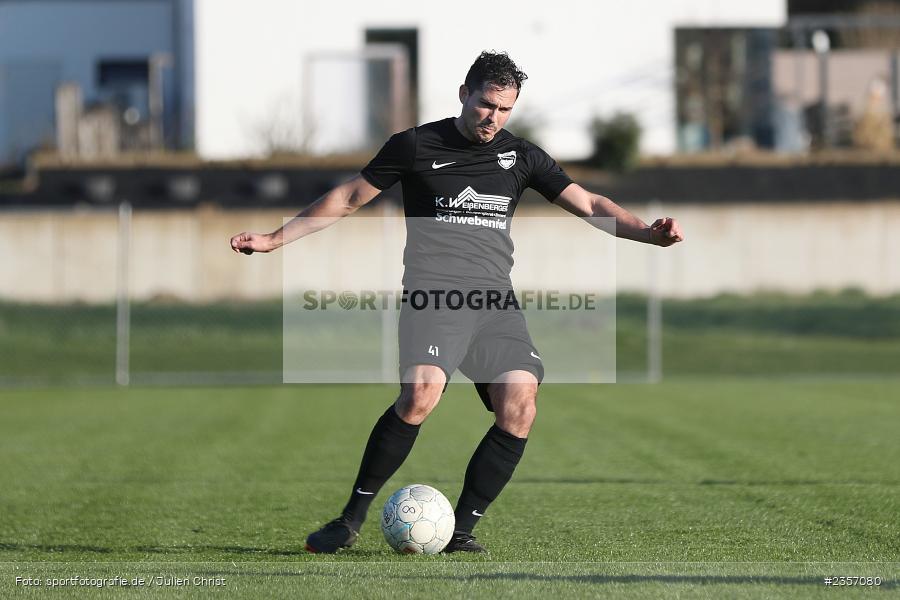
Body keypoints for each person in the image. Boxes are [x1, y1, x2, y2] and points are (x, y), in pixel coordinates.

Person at [230, 51, 684, 554]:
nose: (494, 118)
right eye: (487, 104)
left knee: (520, 405)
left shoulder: (522, 156)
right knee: (421, 395)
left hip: (495, 305)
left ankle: (461, 530)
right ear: (464, 93)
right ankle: (349, 520)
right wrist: (275, 238)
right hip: (435, 299)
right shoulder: (416, 145)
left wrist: (646, 233)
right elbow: (349, 197)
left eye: (505, 109)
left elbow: (591, 204)